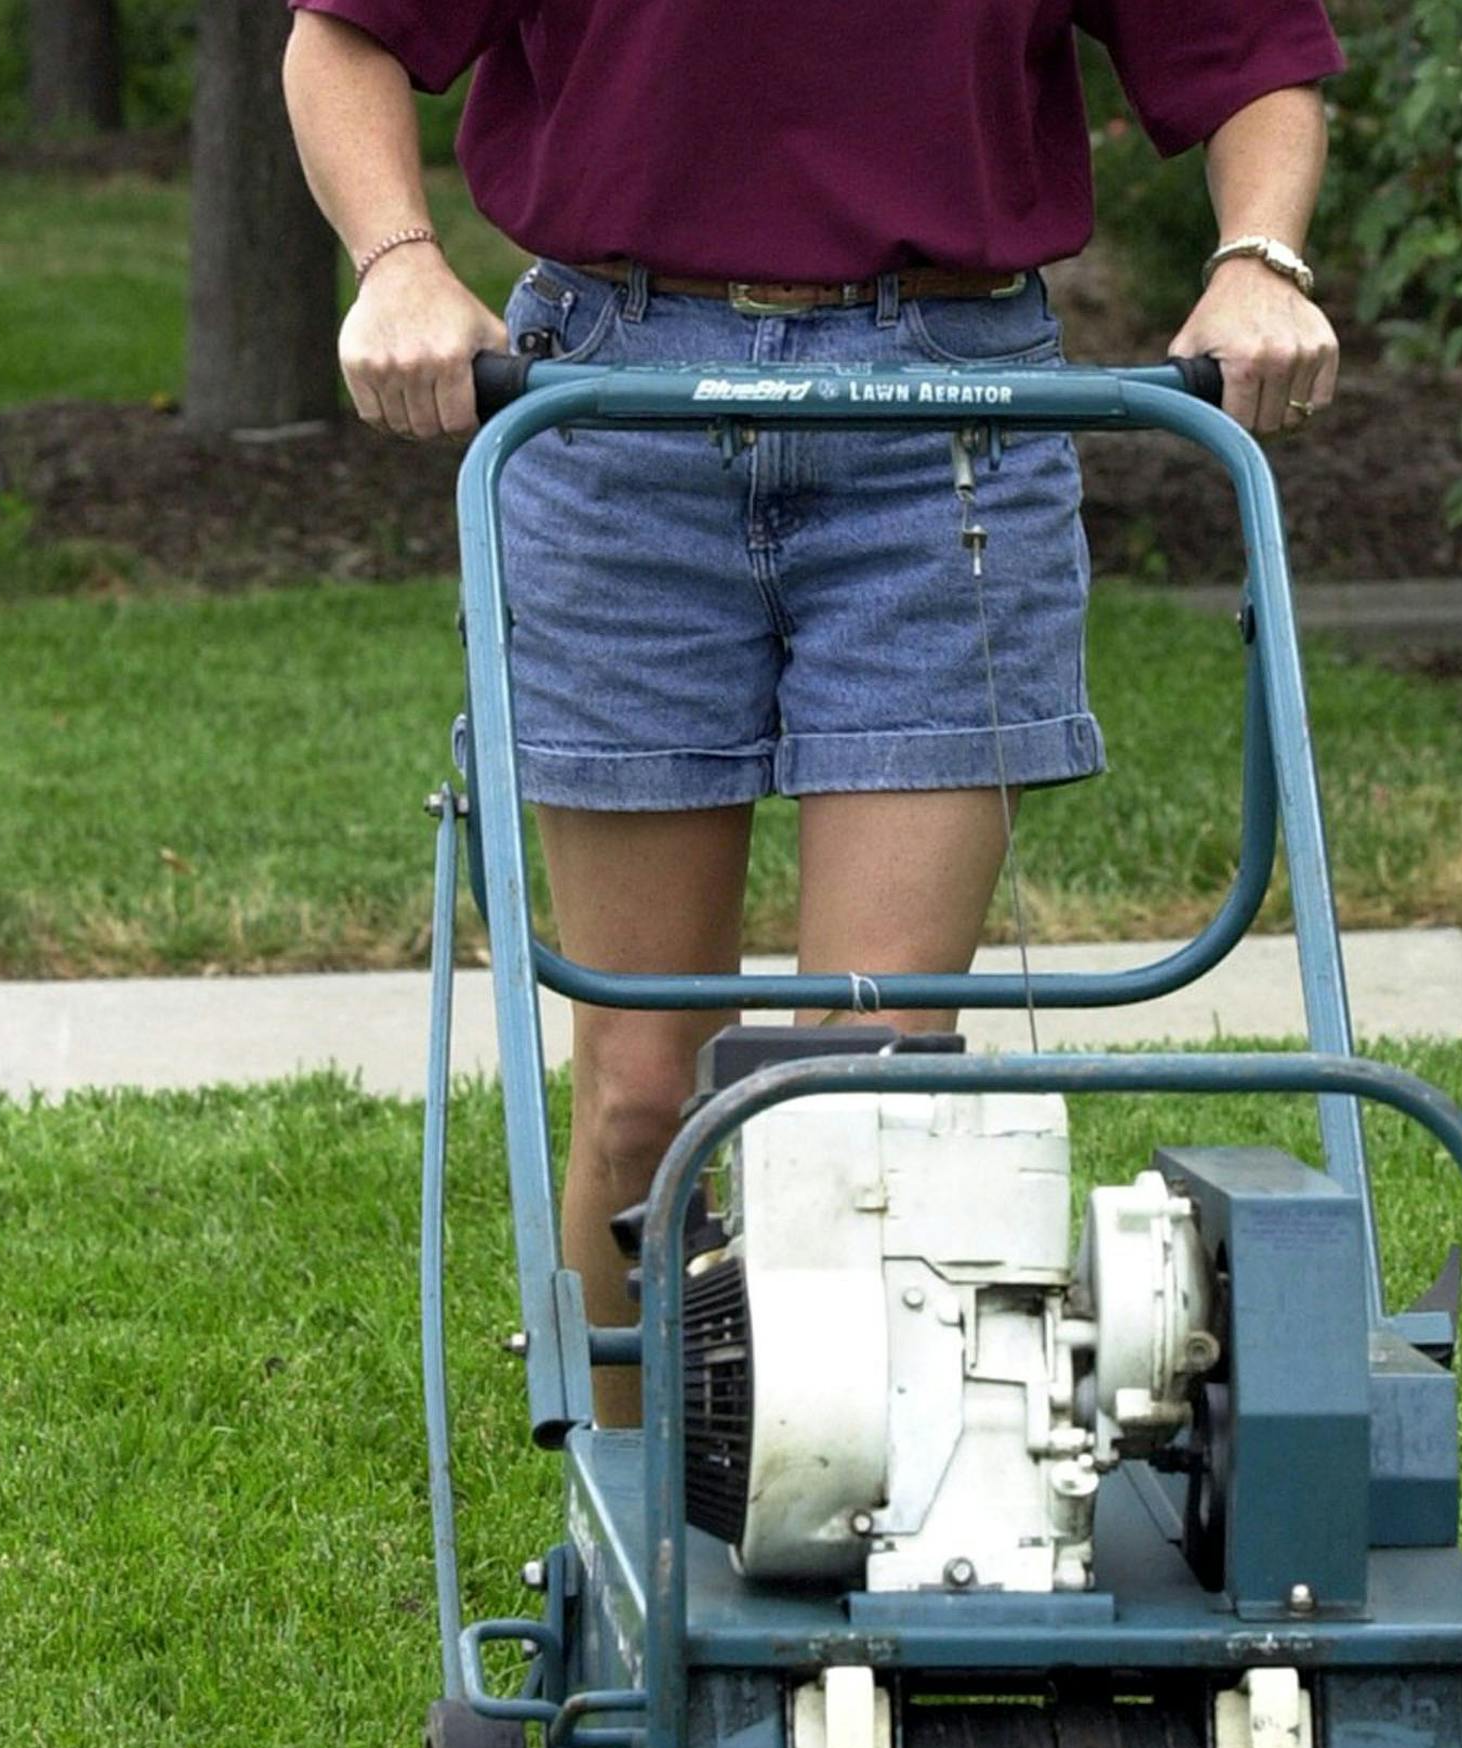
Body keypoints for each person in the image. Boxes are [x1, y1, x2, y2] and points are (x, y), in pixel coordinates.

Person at [283, 1, 1343, 1425]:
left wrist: (1259, 259)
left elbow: (1250, 48)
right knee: (642, 1092)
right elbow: (340, 34)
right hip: (609, 404)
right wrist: (398, 265)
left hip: (946, 414)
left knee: (868, 1083)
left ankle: (852, 1540)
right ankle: (647, 1535)